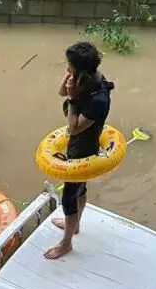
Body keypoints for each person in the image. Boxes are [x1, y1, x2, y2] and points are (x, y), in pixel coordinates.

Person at [45, 41, 115, 260]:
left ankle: (66, 243)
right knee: (79, 190)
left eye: (70, 65)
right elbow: (60, 93)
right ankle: (74, 226)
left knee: (69, 197)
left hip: (84, 148)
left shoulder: (99, 99)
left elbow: (74, 128)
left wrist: (73, 99)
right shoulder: (81, 77)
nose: (67, 67)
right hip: (75, 144)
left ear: (82, 69)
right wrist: (69, 80)